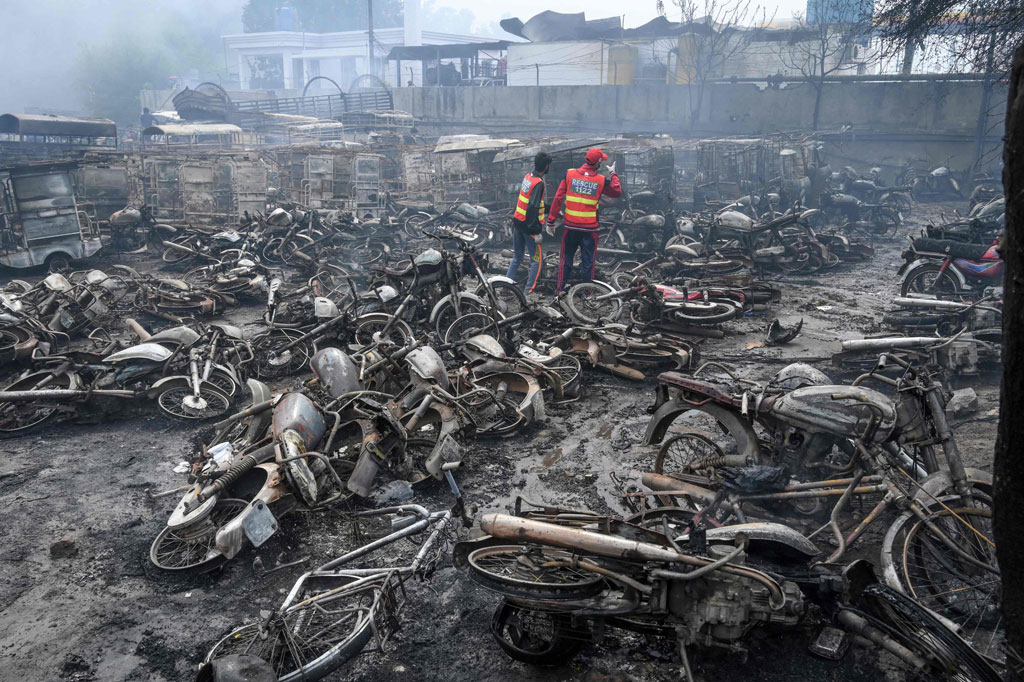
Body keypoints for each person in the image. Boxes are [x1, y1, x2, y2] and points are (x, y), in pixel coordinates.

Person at [546, 147, 622, 293]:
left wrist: (551, 221)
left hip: (570, 228)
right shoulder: (600, 180)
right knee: (588, 263)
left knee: (565, 261)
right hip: (589, 230)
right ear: (598, 162)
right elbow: (617, 191)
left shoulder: (569, 174)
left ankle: (559, 292)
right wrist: (613, 173)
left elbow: (557, 198)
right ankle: (588, 294)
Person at [506, 152, 552, 293]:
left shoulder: (528, 177)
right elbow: (533, 207)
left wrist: (552, 209)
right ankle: (528, 292)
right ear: (545, 166)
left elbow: (531, 202)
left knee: (517, 257)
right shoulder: (539, 184)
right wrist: (537, 231)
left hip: (518, 223)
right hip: (529, 228)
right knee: (537, 260)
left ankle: (505, 286)